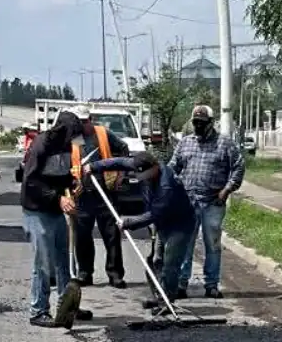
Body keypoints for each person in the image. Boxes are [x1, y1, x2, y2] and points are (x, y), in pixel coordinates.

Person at [88, 151, 196, 316]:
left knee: (170, 263)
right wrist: (93, 167)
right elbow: (118, 162)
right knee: (154, 261)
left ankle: (168, 300)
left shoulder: (166, 186)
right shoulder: (140, 164)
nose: (140, 178)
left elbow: (154, 214)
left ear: (153, 168)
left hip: (180, 225)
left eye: (143, 175)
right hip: (163, 223)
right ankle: (160, 297)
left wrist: (128, 223)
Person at [20, 110, 93, 328]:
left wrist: (72, 183)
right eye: (73, 134)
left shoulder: (65, 146)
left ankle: (67, 305)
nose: (74, 140)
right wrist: (58, 199)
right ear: (64, 131)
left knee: (64, 260)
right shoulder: (41, 145)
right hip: (37, 211)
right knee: (43, 262)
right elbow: (31, 182)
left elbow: (60, 173)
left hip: (54, 210)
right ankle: (38, 310)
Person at [169, 105, 246, 299]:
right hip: (188, 201)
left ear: (211, 123)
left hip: (213, 202)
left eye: (202, 123)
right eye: (195, 122)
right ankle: (181, 284)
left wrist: (227, 189)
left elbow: (238, 167)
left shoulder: (224, 144)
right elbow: (173, 167)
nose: (198, 126)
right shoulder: (185, 143)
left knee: (212, 244)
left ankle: (211, 285)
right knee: (186, 244)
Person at [68, 106, 129, 288]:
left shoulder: (103, 133)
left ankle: (115, 273)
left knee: (112, 235)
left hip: (106, 194)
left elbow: (124, 149)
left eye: (85, 121)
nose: (82, 124)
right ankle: (85, 273)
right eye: (78, 121)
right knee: (83, 237)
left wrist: (121, 175)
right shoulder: (73, 138)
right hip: (82, 194)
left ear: (91, 119)